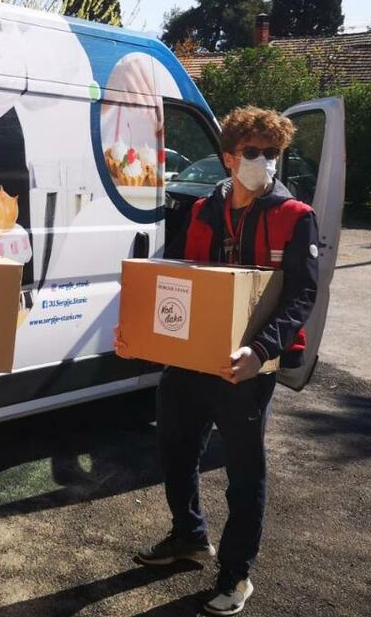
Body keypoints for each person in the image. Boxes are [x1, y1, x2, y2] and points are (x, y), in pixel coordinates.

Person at [118, 106, 320, 616]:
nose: (263, 160)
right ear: (228, 157)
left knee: (244, 472)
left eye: (272, 153)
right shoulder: (204, 210)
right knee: (176, 448)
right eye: (252, 151)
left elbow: (301, 296)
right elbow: (174, 276)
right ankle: (188, 537)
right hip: (192, 358)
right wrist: (138, 331)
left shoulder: (296, 217)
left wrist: (262, 350)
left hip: (247, 365)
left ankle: (236, 574)